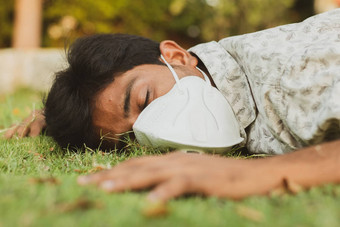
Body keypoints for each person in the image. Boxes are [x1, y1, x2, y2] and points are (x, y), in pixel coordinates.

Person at [5, 9, 340, 200]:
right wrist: (57, 114)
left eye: (144, 100)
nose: (155, 130)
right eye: (130, 138)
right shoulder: (210, 74)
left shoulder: (290, 78)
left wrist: (257, 174)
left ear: (176, 55)